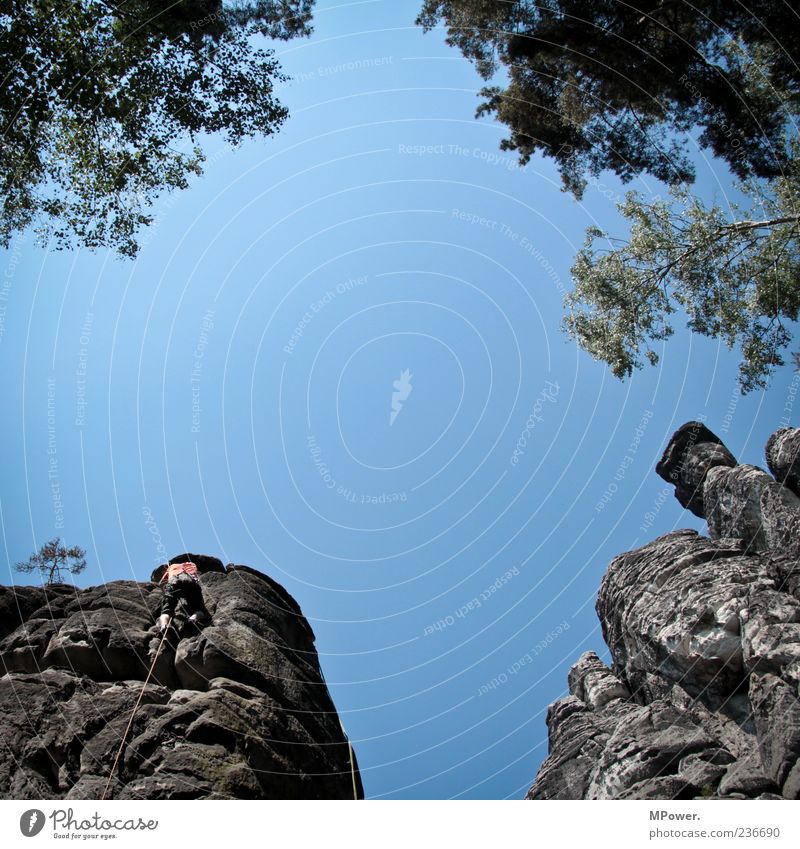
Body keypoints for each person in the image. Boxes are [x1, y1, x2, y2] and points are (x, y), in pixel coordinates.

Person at [156, 560, 209, 632]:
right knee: (199, 609)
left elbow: (161, 583)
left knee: (166, 611)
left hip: (174, 583)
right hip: (189, 581)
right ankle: (193, 619)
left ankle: (164, 626)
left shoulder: (171, 567)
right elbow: (195, 576)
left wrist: (166, 594)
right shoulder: (191, 564)